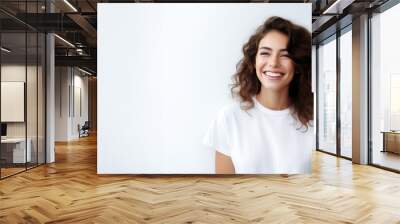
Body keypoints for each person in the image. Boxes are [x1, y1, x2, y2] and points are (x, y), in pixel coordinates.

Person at [203, 16, 313, 174]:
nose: (273, 63)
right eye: (265, 53)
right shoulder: (229, 118)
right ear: (254, 61)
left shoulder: (313, 121)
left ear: (297, 65)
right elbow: (224, 192)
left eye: (285, 55)